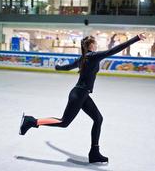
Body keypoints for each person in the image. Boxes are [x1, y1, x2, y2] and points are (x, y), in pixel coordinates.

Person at [19, 33, 146, 163]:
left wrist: (58, 67)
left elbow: (68, 67)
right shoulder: (93, 56)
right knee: (63, 122)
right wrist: (136, 38)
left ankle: (94, 153)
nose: (96, 45)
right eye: (95, 43)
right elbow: (114, 50)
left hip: (82, 95)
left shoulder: (83, 58)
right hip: (78, 95)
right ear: (91, 45)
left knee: (98, 119)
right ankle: (32, 121)